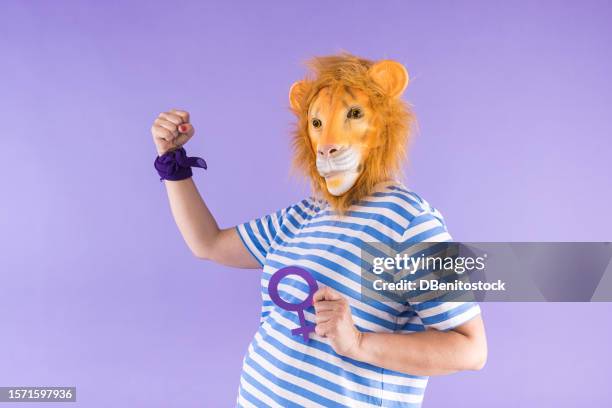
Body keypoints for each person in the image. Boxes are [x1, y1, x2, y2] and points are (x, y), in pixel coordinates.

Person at [151, 53, 487, 407]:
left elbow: (470, 348)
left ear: (385, 124)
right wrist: (172, 162)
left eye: (353, 114)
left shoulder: (409, 221)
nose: (328, 141)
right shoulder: (305, 215)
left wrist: (357, 343)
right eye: (316, 122)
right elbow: (209, 243)